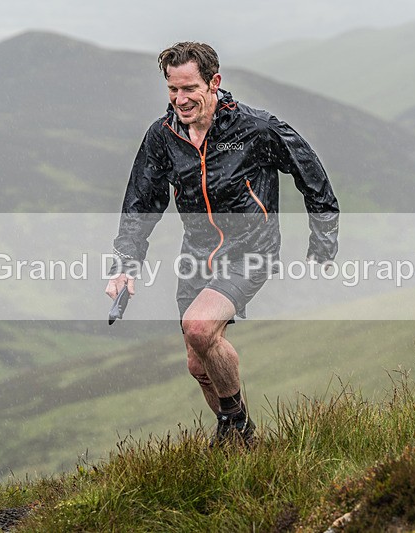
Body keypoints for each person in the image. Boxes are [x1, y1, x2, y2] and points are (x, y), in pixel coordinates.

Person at [105, 42, 339, 447]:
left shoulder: (255, 128)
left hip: (252, 250)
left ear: (214, 82)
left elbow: (311, 173)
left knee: (199, 327)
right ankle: (240, 442)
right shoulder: (163, 137)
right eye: (173, 89)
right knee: (198, 365)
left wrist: (323, 238)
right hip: (197, 256)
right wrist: (126, 263)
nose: (180, 99)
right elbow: (140, 203)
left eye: (189, 88)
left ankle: (236, 424)